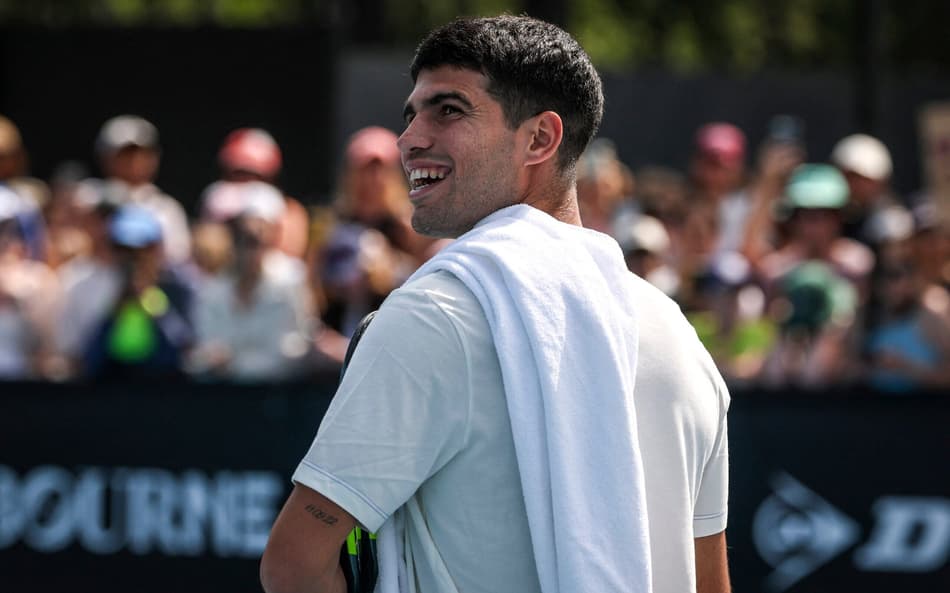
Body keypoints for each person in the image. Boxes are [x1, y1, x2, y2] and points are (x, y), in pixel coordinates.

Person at [262, 15, 730, 593]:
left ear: (539, 138)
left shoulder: (430, 315)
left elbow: (293, 567)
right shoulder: (682, 340)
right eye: (411, 114)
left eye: (449, 110)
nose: (410, 138)